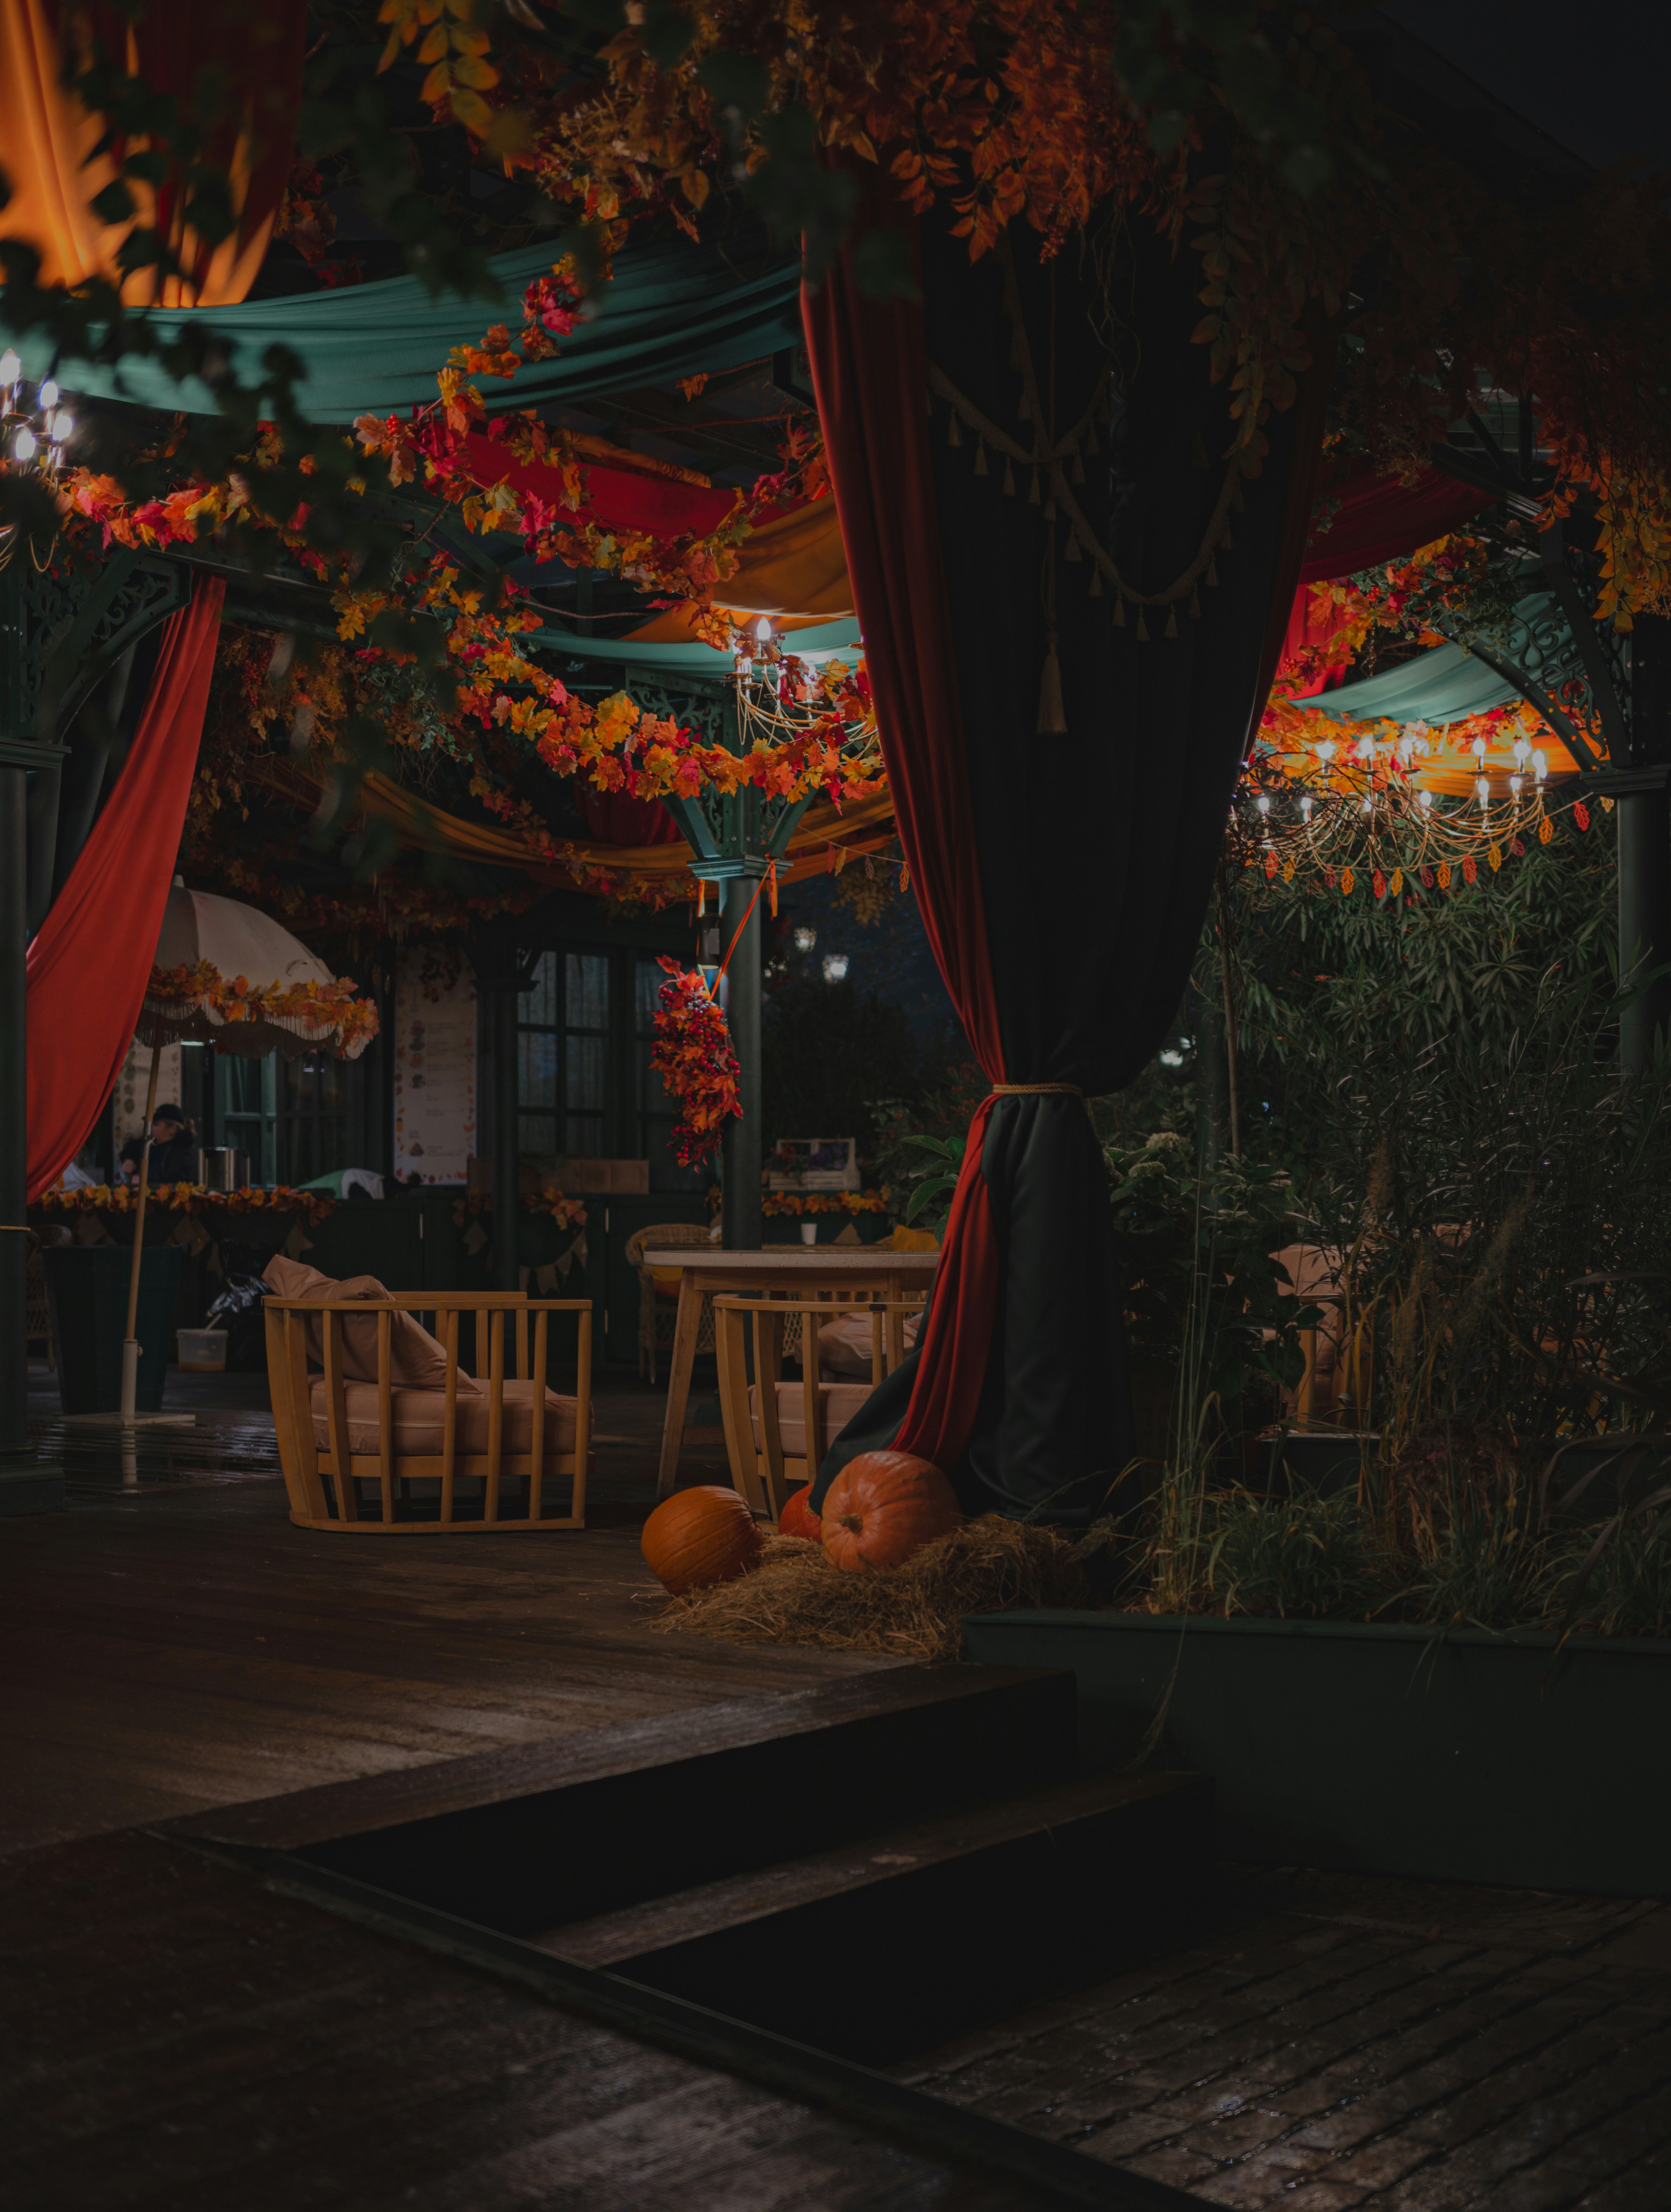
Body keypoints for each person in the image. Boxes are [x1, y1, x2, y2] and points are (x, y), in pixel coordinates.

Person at [119, 1106, 200, 1187]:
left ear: (172, 1128)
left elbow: (176, 1178)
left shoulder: (185, 1149)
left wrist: (145, 1180)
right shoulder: (151, 1143)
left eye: (156, 1125)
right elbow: (132, 1146)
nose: (151, 1129)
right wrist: (129, 1159)